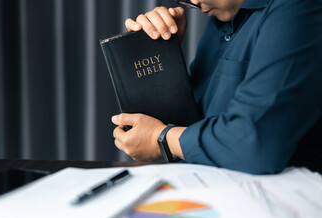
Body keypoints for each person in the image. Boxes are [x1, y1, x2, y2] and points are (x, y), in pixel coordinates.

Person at [111, 0, 322, 174]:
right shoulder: (220, 20)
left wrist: (161, 138)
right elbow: (192, 126)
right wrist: (164, 56)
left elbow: (254, 144)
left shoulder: (298, 9)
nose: (193, 3)